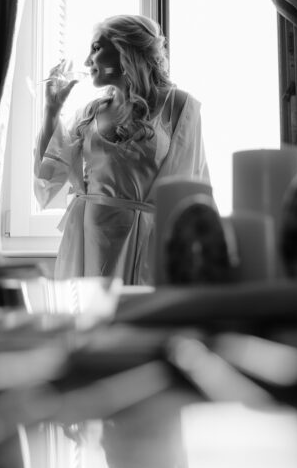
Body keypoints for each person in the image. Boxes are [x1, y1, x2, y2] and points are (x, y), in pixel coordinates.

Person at [33, 14, 212, 284]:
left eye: (96, 48)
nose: (87, 61)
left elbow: (194, 184)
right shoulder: (90, 113)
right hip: (89, 242)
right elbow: (47, 180)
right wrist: (51, 111)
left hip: (147, 244)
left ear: (125, 49)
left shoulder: (179, 106)